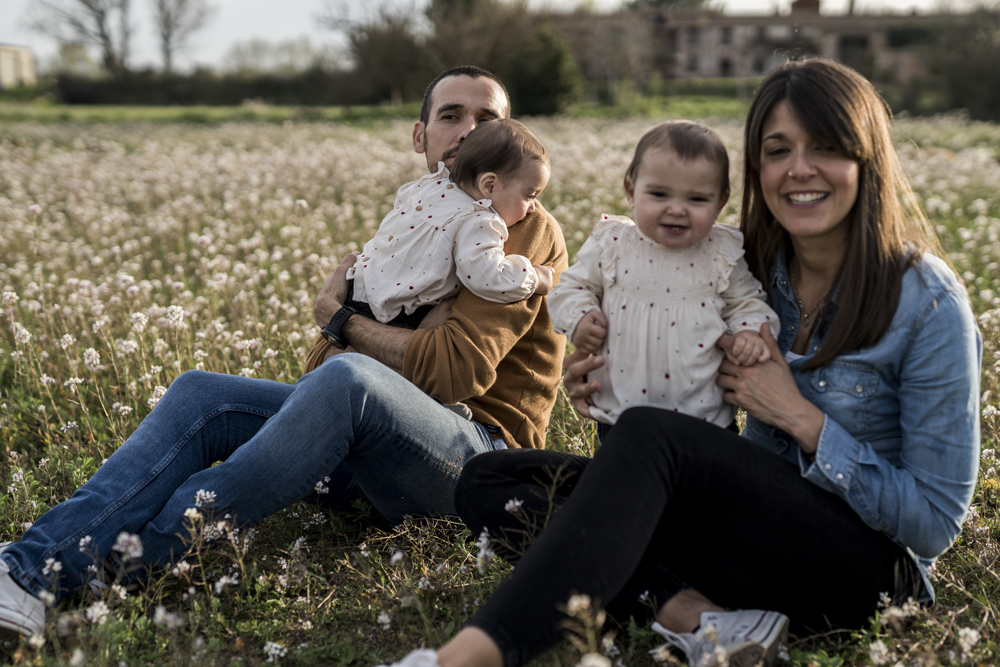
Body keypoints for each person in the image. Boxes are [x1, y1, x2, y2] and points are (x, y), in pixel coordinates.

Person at [378, 58, 981, 667]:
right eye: (777, 150)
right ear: (755, 169)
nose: (799, 169)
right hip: (747, 536)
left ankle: (466, 658)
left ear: (866, 160)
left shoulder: (926, 302)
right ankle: (701, 617)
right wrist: (596, 369)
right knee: (492, 480)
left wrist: (803, 420)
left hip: (868, 573)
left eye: (826, 147)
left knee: (650, 436)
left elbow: (932, 525)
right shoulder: (747, 266)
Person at [0, 65, 569, 638]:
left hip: (477, 464)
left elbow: (453, 372)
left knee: (349, 379)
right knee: (203, 392)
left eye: (487, 118)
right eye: (452, 116)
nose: (469, 131)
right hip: (373, 450)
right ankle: (25, 566)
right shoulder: (421, 214)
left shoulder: (513, 228)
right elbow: (316, 374)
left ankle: (87, 569)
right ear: (421, 138)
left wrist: (340, 320)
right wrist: (370, 342)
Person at [548, 120, 778, 429]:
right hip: (620, 416)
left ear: (720, 203)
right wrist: (580, 316)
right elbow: (571, 286)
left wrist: (748, 332)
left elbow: (747, 303)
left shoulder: (721, 252)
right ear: (631, 191)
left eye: (696, 199)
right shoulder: (612, 243)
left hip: (705, 422)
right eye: (659, 194)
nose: (676, 209)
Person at [348, 118, 554, 328]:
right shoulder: (480, 221)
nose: (533, 208)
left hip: (357, 285)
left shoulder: (429, 186)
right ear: (489, 185)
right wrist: (535, 278)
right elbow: (488, 277)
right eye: (529, 196)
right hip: (392, 312)